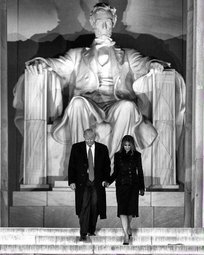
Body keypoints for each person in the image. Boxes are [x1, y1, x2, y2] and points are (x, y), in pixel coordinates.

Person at [25, 2, 167, 159]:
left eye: (108, 21)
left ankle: (113, 163)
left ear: (113, 22)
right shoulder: (77, 55)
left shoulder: (127, 54)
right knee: (77, 103)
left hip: (116, 104)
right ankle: (83, 164)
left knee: (127, 106)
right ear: (93, 23)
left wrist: (153, 65)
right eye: (100, 21)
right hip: (89, 104)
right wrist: (42, 63)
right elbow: (57, 65)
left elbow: (144, 63)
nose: (105, 25)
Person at [68, 128, 111, 241]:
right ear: (84, 137)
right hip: (83, 183)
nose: (90, 141)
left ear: (95, 137)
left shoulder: (102, 148)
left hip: (97, 182)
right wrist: (71, 181)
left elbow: (107, 166)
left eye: (92, 139)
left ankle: (91, 230)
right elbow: (71, 166)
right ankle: (83, 232)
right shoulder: (76, 148)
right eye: (88, 139)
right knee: (84, 206)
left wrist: (106, 180)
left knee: (95, 206)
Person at [108, 135, 145, 245]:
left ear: (132, 145)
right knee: (122, 210)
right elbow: (115, 173)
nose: (127, 147)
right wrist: (108, 181)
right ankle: (125, 234)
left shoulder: (137, 155)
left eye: (129, 145)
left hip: (134, 186)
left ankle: (128, 228)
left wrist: (142, 187)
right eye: (125, 145)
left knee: (131, 212)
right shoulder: (117, 155)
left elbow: (140, 172)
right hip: (121, 187)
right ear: (122, 145)